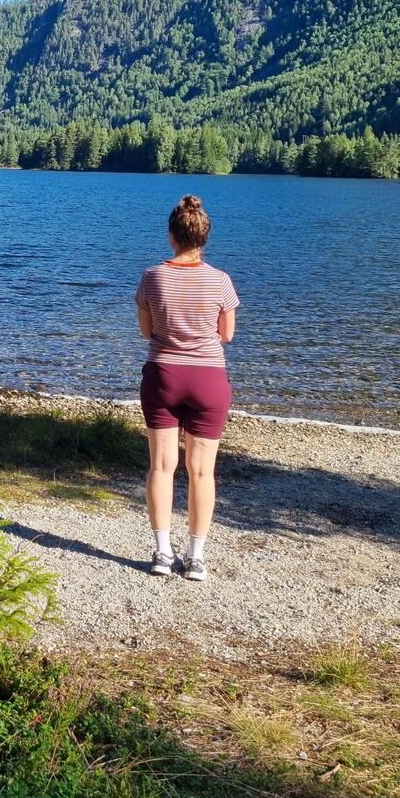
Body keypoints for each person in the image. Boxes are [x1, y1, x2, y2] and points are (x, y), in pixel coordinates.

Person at [135, 194, 239, 581]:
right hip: (208, 379)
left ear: (171, 236)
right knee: (201, 472)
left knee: (161, 467)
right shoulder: (221, 281)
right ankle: (196, 558)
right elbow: (226, 335)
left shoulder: (151, 277)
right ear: (204, 238)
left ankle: (163, 553)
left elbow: (147, 331)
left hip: (163, 376)